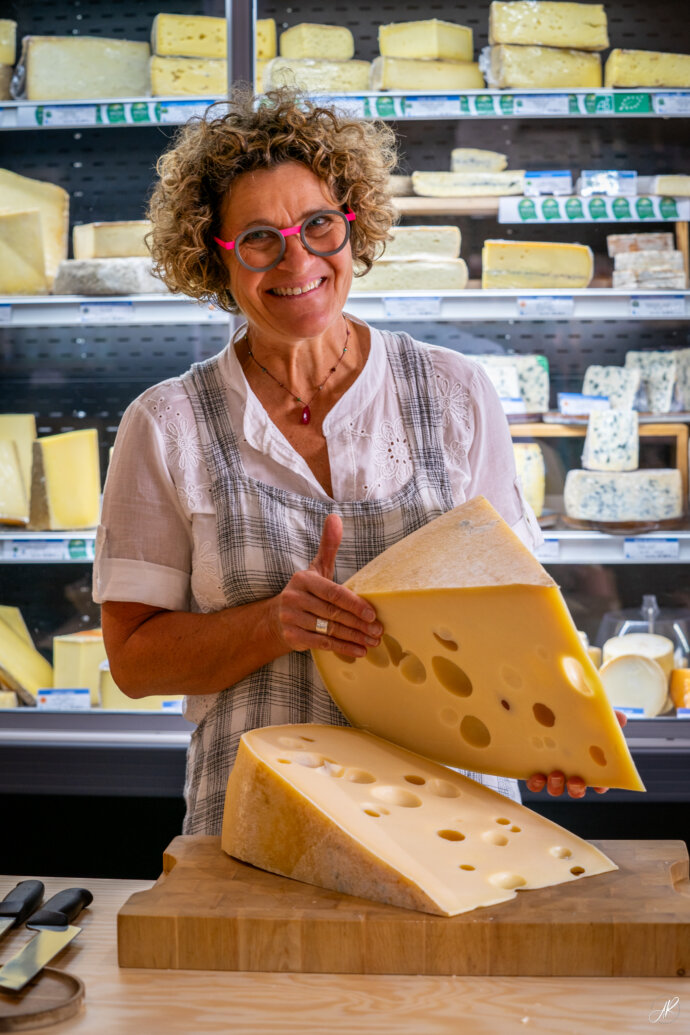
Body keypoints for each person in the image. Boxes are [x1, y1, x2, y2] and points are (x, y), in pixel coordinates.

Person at [94, 88, 620, 836]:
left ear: (353, 225)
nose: (298, 260)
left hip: (448, 824)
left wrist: (554, 733)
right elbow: (136, 661)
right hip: (261, 823)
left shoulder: (455, 392)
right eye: (259, 239)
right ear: (214, 258)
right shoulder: (166, 423)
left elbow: (517, 616)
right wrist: (275, 622)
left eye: (317, 226)